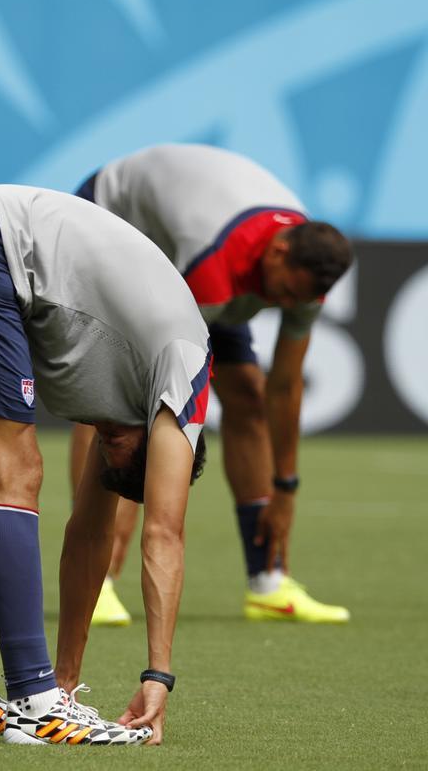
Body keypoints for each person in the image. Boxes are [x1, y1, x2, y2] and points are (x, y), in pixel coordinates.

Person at [0, 186, 210, 746]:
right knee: (16, 470)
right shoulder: (184, 372)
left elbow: (89, 533)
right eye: (119, 455)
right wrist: (159, 675)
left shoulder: (129, 406)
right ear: (158, 440)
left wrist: (70, 681)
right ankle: (34, 703)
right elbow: (164, 533)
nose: (102, 448)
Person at [73, 143, 354, 626]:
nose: (282, 303)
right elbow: (162, 387)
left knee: (246, 396)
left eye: (294, 300)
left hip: (195, 246)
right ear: (279, 252)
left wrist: (285, 490)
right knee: (121, 402)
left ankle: (268, 584)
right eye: (282, 293)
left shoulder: (304, 277)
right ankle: (97, 578)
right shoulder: (212, 258)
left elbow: (283, 389)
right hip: (113, 217)